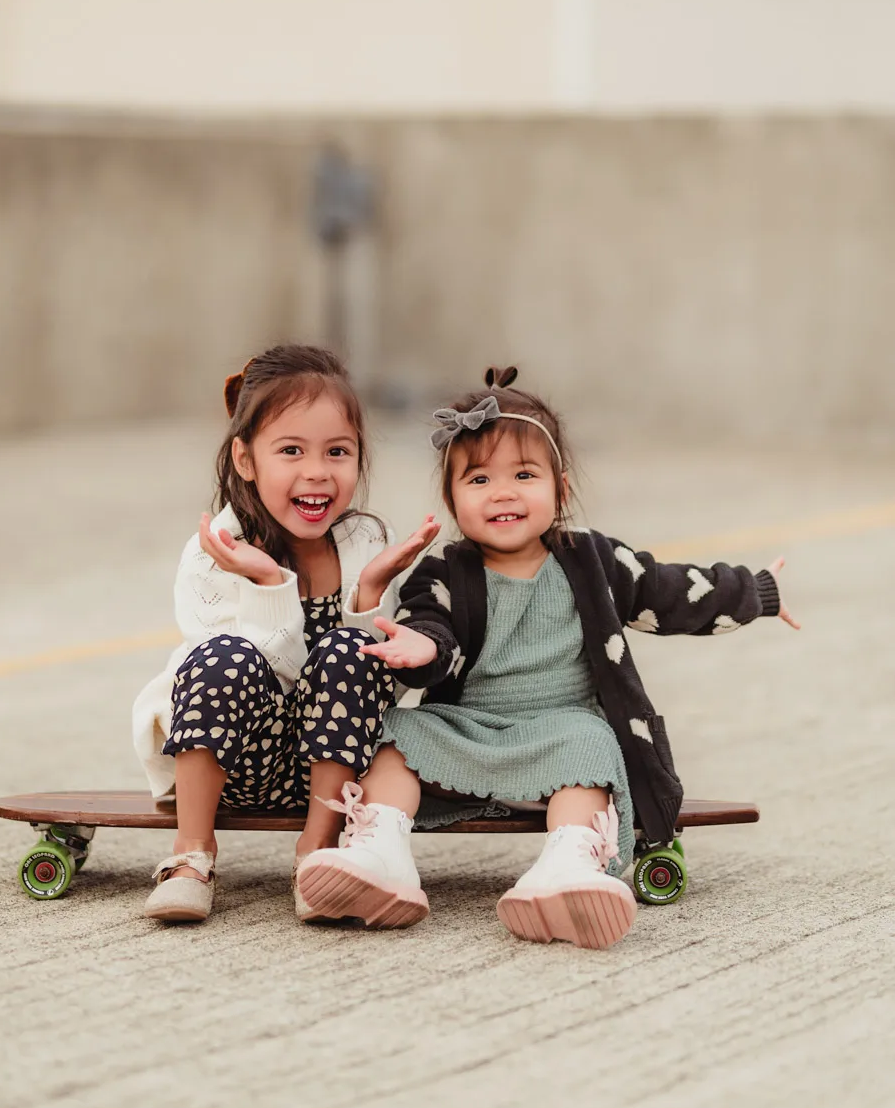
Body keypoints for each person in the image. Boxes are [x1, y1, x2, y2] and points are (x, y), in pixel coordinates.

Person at [296, 366, 799, 948]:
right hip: (469, 729)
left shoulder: (593, 561)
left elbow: (671, 589)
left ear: (559, 489)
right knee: (397, 736)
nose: (503, 492)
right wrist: (423, 645)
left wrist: (756, 593)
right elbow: (430, 624)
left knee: (593, 747)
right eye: (479, 479)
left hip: (559, 731)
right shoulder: (444, 572)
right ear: (453, 499)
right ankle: (379, 858)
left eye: (524, 475)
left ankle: (569, 868)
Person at [133, 344, 439, 924]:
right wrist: (270, 584)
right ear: (245, 459)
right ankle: (191, 856)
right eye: (291, 451)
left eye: (338, 452)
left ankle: (316, 854)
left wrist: (369, 594)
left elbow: (376, 690)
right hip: (233, 762)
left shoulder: (366, 542)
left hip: (333, 773)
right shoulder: (216, 554)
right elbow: (229, 676)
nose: (317, 472)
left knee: (353, 649)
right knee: (221, 656)